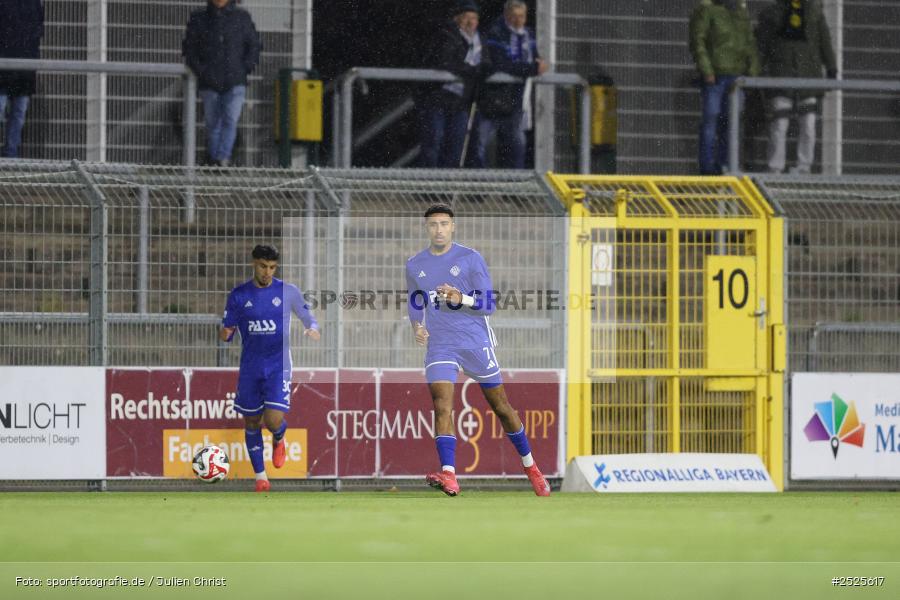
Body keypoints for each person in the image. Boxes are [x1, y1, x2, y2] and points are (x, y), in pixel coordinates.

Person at [405, 204, 550, 497]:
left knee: (502, 408)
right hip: (441, 345)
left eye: (444, 224)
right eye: (433, 225)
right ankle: (449, 475)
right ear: (426, 228)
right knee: (442, 404)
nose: (439, 229)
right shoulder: (414, 264)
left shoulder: (470, 259)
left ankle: (531, 466)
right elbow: (414, 301)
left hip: (474, 342)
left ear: (453, 227)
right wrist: (417, 326)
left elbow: (489, 304)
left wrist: (461, 298)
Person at [220, 245, 320, 492]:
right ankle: (261, 478)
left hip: (279, 366)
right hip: (251, 368)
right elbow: (227, 332)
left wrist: (312, 327)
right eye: (263, 266)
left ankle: (279, 437)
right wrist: (225, 332)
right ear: (254, 264)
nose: (267, 272)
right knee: (252, 421)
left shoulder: (288, 292)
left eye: (272, 267)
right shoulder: (239, 295)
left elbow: (309, 317)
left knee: (273, 420)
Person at [756, 0, 837, 174]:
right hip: (781, 76)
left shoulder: (814, 12)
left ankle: (804, 167)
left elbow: (825, 41)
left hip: (808, 77)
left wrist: (832, 68)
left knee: (808, 125)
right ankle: (775, 167)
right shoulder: (772, 13)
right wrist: (756, 72)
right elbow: (762, 45)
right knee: (779, 124)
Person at [182, 0, 260, 167]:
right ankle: (217, 158)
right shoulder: (199, 18)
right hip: (210, 82)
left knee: (230, 119)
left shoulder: (242, 17)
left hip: (234, 80)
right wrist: (203, 72)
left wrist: (243, 69)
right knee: (213, 122)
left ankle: (221, 158)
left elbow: (254, 46)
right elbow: (190, 50)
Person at [417, 1, 492, 168]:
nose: (471, 22)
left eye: (474, 18)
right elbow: (446, 61)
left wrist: (481, 70)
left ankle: (445, 190)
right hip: (437, 97)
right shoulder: (447, 34)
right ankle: (426, 188)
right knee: (433, 142)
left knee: (456, 145)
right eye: (467, 18)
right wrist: (472, 71)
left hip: (461, 101)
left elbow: (486, 64)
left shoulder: (481, 41)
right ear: (457, 19)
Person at [689, 0, 760, 175]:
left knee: (731, 124)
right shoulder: (708, 11)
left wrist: (752, 72)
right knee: (711, 121)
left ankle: (725, 165)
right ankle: (707, 168)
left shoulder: (740, 12)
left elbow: (750, 43)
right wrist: (707, 70)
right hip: (716, 77)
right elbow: (698, 41)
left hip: (736, 78)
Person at [477, 0, 547, 169]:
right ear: (506, 16)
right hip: (494, 97)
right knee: (483, 143)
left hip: (517, 98)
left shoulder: (529, 34)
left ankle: (513, 191)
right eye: (514, 16)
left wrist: (536, 66)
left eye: (521, 16)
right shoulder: (495, 33)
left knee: (517, 143)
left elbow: (535, 61)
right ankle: (478, 191)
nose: (518, 20)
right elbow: (501, 63)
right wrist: (532, 68)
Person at [0, 0, 44, 158]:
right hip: (10, 65)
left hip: (23, 67)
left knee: (18, 113)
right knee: (14, 112)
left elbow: (37, 31)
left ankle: (11, 154)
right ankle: (11, 153)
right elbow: (38, 31)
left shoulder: (33, 4)